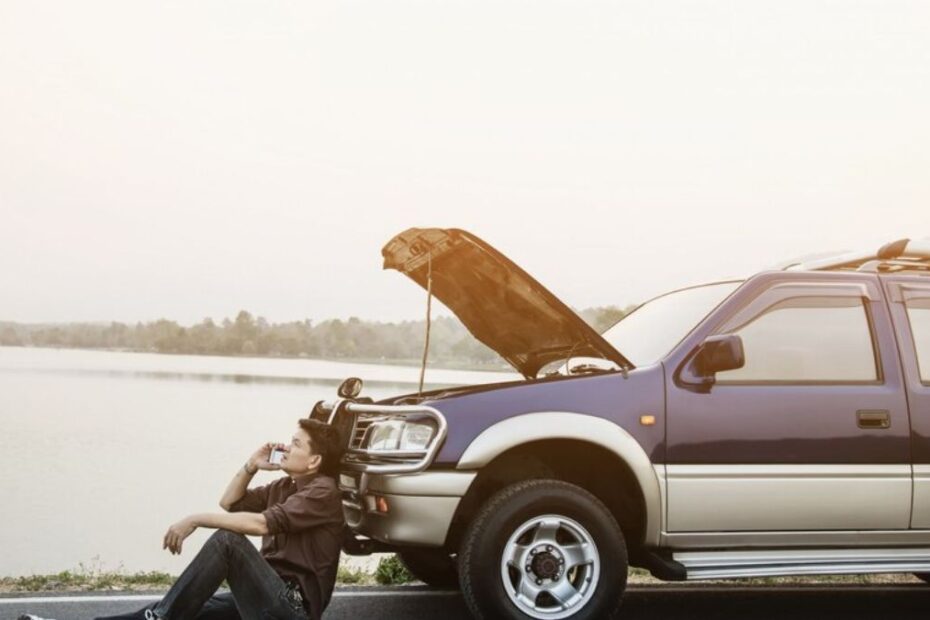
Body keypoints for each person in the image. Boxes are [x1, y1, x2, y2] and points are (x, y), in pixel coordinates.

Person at [20, 417, 346, 620]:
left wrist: (195, 519)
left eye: (296, 444)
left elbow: (259, 524)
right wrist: (251, 464)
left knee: (228, 541)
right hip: (261, 593)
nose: (286, 448)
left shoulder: (322, 492)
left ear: (315, 459)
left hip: (291, 608)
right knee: (176, 609)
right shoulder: (285, 484)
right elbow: (230, 503)